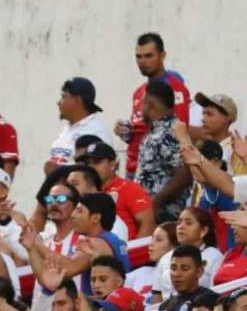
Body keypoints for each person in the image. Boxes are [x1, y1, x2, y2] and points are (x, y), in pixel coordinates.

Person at [119, 32, 191, 177]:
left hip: (160, 171)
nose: (143, 61)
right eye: (138, 57)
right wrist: (125, 132)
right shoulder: (138, 92)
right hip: (134, 168)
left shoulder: (175, 88)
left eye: (149, 56)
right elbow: (140, 130)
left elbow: (179, 130)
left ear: (162, 56)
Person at [137, 79, 191, 222]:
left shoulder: (171, 132)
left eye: (143, 104)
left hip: (164, 216)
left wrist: (156, 203)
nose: (141, 109)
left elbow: (184, 174)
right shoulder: (156, 132)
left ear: (150, 105)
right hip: (148, 214)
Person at [48, 78, 112, 171]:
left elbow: (100, 174)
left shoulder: (97, 133)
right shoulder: (65, 130)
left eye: (64, 96)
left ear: (78, 100)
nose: (59, 102)